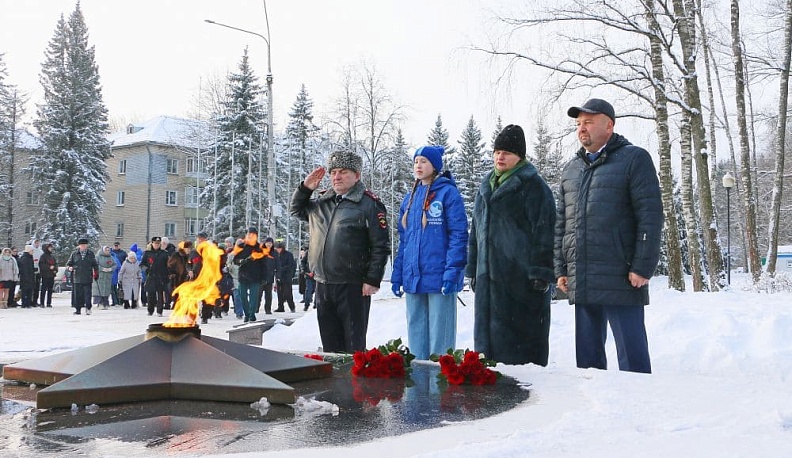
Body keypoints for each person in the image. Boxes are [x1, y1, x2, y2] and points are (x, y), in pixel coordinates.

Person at [555, 99, 663, 374]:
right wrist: (562, 269)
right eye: (579, 124)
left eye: (589, 122)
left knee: (632, 358)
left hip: (622, 277)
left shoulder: (634, 159)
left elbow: (650, 215)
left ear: (609, 125)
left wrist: (642, 266)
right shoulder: (571, 170)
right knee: (588, 365)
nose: (582, 129)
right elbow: (561, 224)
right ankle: (593, 411)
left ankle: (638, 406)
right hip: (583, 276)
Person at [465, 124, 557, 366]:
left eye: (506, 152)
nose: (500, 157)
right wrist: (473, 268)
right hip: (488, 279)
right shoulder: (485, 187)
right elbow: (476, 230)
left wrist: (541, 273)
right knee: (488, 353)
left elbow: (545, 231)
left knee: (520, 355)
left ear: (520, 156)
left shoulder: (535, 187)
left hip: (521, 282)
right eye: (496, 152)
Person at [290, 150, 391, 353]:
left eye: (343, 172)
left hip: (352, 285)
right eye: (333, 172)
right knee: (330, 349)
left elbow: (380, 245)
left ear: (357, 175)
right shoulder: (321, 203)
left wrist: (372, 279)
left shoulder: (369, 205)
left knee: (353, 350)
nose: (337, 177)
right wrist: (304, 189)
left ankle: (354, 385)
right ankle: (335, 385)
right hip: (323, 284)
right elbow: (296, 210)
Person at [391, 145, 469, 360]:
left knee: (440, 336)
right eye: (416, 161)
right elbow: (404, 241)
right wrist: (398, 276)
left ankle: (440, 386)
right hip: (413, 276)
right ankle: (418, 386)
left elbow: (458, 235)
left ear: (435, 166)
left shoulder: (448, 194)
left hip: (439, 275)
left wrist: (452, 272)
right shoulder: (410, 198)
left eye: (424, 161)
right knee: (416, 332)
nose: (418, 165)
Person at [231, 227, 267, 323]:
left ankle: (251, 315)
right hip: (243, 275)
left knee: (253, 298)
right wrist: (240, 261)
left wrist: (264, 277)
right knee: (242, 295)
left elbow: (264, 264)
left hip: (255, 276)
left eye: (253, 235)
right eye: (249, 234)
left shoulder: (260, 248)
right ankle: (247, 314)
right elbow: (235, 260)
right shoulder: (241, 246)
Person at [67, 238, 99, 315]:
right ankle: (78, 309)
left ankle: (88, 308)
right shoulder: (74, 254)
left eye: (85, 245)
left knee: (88, 294)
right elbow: (69, 263)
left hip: (87, 277)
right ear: (79, 246)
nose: (83, 246)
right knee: (77, 295)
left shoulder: (90, 254)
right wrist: (69, 267)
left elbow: (95, 264)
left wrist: (96, 273)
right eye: (82, 245)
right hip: (77, 277)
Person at [140, 236, 170, 317]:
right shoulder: (147, 253)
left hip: (161, 277)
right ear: (152, 243)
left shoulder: (164, 253)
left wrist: (168, 274)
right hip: (151, 276)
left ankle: (160, 311)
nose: (156, 245)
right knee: (150, 295)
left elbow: (168, 265)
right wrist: (146, 269)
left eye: (158, 243)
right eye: (155, 243)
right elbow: (142, 264)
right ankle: (150, 310)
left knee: (160, 295)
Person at [273, 241, 297, 313]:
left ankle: (292, 307)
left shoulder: (288, 255)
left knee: (288, 293)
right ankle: (280, 307)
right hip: (279, 276)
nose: (277, 250)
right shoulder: (275, 255)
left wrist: (281, 269)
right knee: (279, 293)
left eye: (278, 248)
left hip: (287, 277)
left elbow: (291, 265)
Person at [257, 236, 277, 314]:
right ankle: (256, 308)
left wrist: (277, 274)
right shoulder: (261, 251)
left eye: (270, 243)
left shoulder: (274, 253)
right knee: (259, 294)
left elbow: (277, 264)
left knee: (268, 295)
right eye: (268, 243)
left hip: (270, 276)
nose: (269, 244)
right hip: (261, 276)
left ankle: (268, 309)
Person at [93, 245, 116, 310]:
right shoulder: (98, 257)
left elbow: (115, 265)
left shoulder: (110, 257)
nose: (107, 251)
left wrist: (111, 269)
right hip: (100, 276)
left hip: (107, 276)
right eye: (106, 250)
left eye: (108, 250)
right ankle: (100, 303)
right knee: (100, 290)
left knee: (106, 290)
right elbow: (95, 265)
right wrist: (102, 268)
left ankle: (105, 303)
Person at [38, 243, 58, 308]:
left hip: (52, 275)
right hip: (45, 275)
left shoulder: (52, 256)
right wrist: (49, 267)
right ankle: (42, 303)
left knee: (50, 290)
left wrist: (55, 269)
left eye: (51, 247)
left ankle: (49, 303)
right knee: (43, 290)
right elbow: (41, 265)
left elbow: (55, 264)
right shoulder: (43, 256)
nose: (51, 248)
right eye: (49, 247)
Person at [299, 245, 316, 311]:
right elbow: (302, 262)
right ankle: (306, 304)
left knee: (317, 291)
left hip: (317, 275)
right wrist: (304, 271)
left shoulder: (320, 251)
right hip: (309, 274)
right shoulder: (308, 253)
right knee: (308, 290)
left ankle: (316, 305)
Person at [31, 239, 43, 306]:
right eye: (36, 243)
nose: (37, 244)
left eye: (38, 243)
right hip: (32, 271)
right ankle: (31, 300)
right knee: (32, 287)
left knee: (37, 287)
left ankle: (35, 300)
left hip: (38, 271)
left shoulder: (40, 251)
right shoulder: (31, 250)